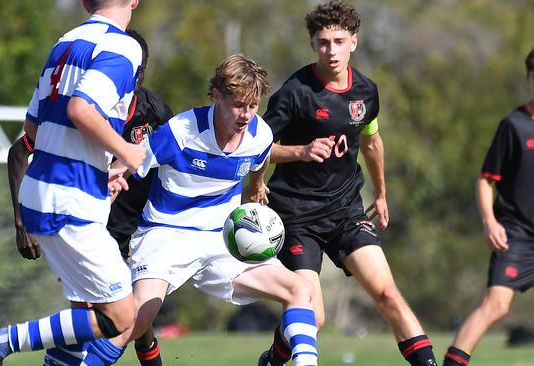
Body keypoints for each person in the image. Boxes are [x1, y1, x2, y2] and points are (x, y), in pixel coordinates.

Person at [102, 54, 319, 366]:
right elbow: (132, 160)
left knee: (301, 289)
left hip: (222, 239)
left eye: (253, 105)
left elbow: (259, 161)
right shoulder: (182, 130)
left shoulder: (260, 136)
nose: (246, 115)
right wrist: (114, 179)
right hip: (165, 233)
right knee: (135, 318)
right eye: (238, 105)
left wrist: (256, 186)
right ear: (217, 95)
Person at [257, 1, 438, 366]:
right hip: (296, 217)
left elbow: (372, 142)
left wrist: (382, 193)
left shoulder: (366, 93)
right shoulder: (294, 93)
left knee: (387, 294)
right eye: (323, 42)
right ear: (312, 44)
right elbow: (257, 149)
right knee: (314, 317)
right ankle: (274, 360)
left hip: (345, 211)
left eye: (339, 41)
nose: (331, 50)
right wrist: (298, 153)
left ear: (353, 42)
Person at [0, 1, 144, 366]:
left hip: (43, 190)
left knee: (84, 313)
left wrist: (104, 163)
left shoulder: (64, 43)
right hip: (70, 197)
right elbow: (81, 110)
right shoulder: (123, 45)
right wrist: (126, 151)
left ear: (83, 2)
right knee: (122, 316)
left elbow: (32, 129)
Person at [7, 28, 173, 366]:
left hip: (133, 226)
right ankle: (9, 343)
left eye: (139, 72)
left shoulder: (155, 114)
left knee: (131, 317)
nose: (133, 78)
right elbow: (19, 151)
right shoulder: (88, 106)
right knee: (104, 315)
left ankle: (8, 343)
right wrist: (20, 222)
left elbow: (172, 160)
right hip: (81, 217)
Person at [442, 48, 534, 366]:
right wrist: (490, 222)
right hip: (517, 234)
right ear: (529, 79)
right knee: (496, 305)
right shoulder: (514, 125)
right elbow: (485, 179)